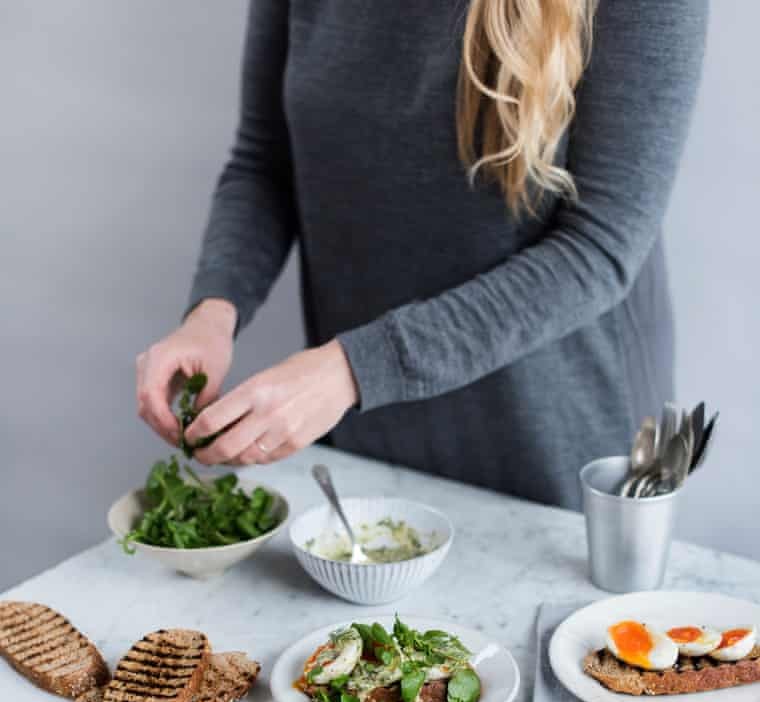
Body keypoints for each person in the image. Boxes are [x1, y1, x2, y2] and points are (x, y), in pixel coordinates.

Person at [136, 0, 708, 509]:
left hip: (557, 448)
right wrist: (213, 313)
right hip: (366, 428)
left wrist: (355, 369)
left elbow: (600, 248)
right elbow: (266, 160)